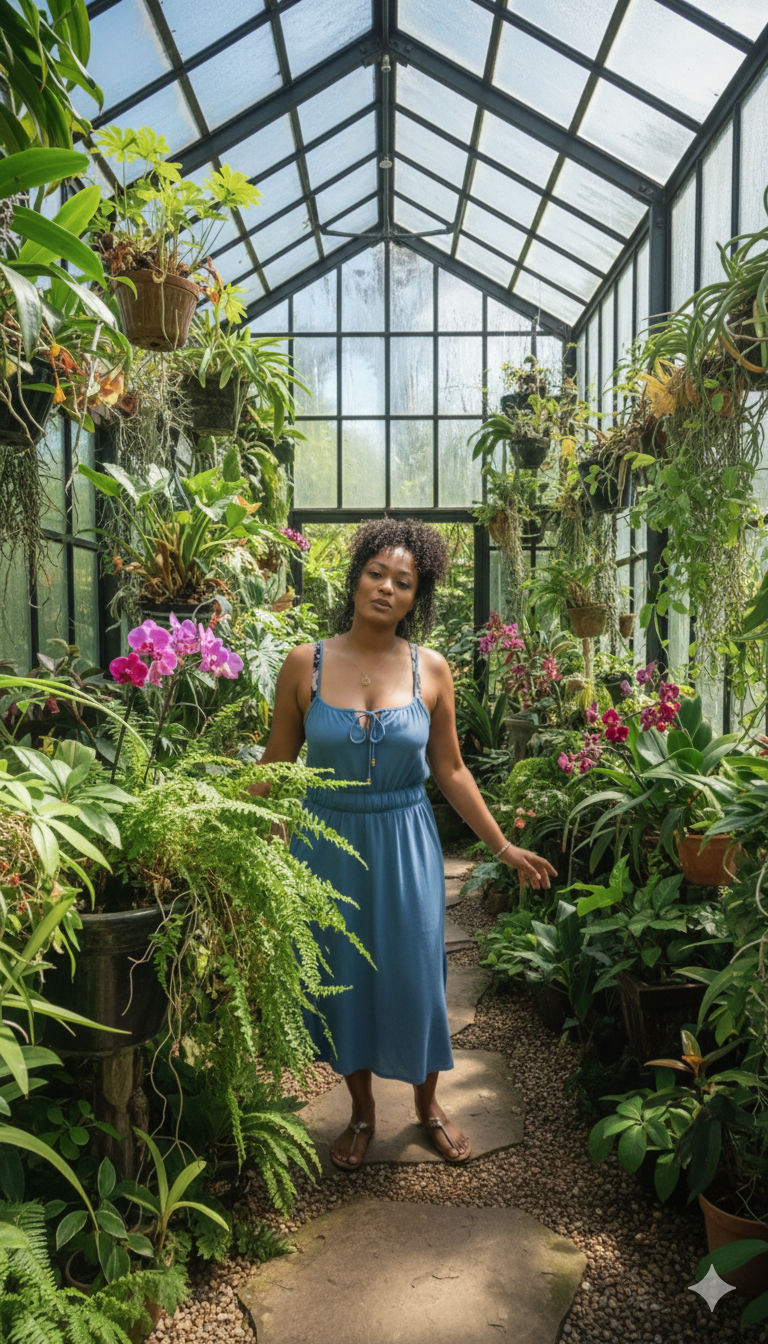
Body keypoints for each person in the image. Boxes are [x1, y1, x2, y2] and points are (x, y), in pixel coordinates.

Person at [256, 519, 556, 1170]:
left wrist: (502, 847)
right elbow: (275, 765)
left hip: (404, 840)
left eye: (404, 581)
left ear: (417, 598)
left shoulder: (432, 670)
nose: (387, 588)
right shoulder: (304, 664)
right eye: (376, 573)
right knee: (342, 974)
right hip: (326, 841)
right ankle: (362, 1111)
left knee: (418, 973)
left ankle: (428, 1107)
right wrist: (241, 841)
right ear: (355, 576)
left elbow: (450, 770)